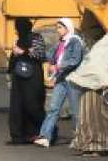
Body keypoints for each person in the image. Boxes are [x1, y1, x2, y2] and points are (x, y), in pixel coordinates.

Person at [34, 18, 84, 148]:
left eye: (60, 27)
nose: (58, 30)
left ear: (68, 28)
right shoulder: (60, 43)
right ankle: (45, 136)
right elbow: (50, 55)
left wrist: (57, 67)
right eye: (57, 27)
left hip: (72, 80)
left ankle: (79, 138)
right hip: (61, 79)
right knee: (53, 108)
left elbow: (75, 60)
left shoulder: (75, 42)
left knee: (76, 111)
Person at [8, 18, 47, 145]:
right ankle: (19, 136)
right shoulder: (18, 40)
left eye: (17, 27)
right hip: (19, 78)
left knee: (33, 105)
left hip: (33, 78)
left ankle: (42, 132)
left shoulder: (36, 37)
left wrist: (23, 51)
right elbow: (13, 58)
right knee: (17, 106)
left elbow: (40, 54)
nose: (16, 30)